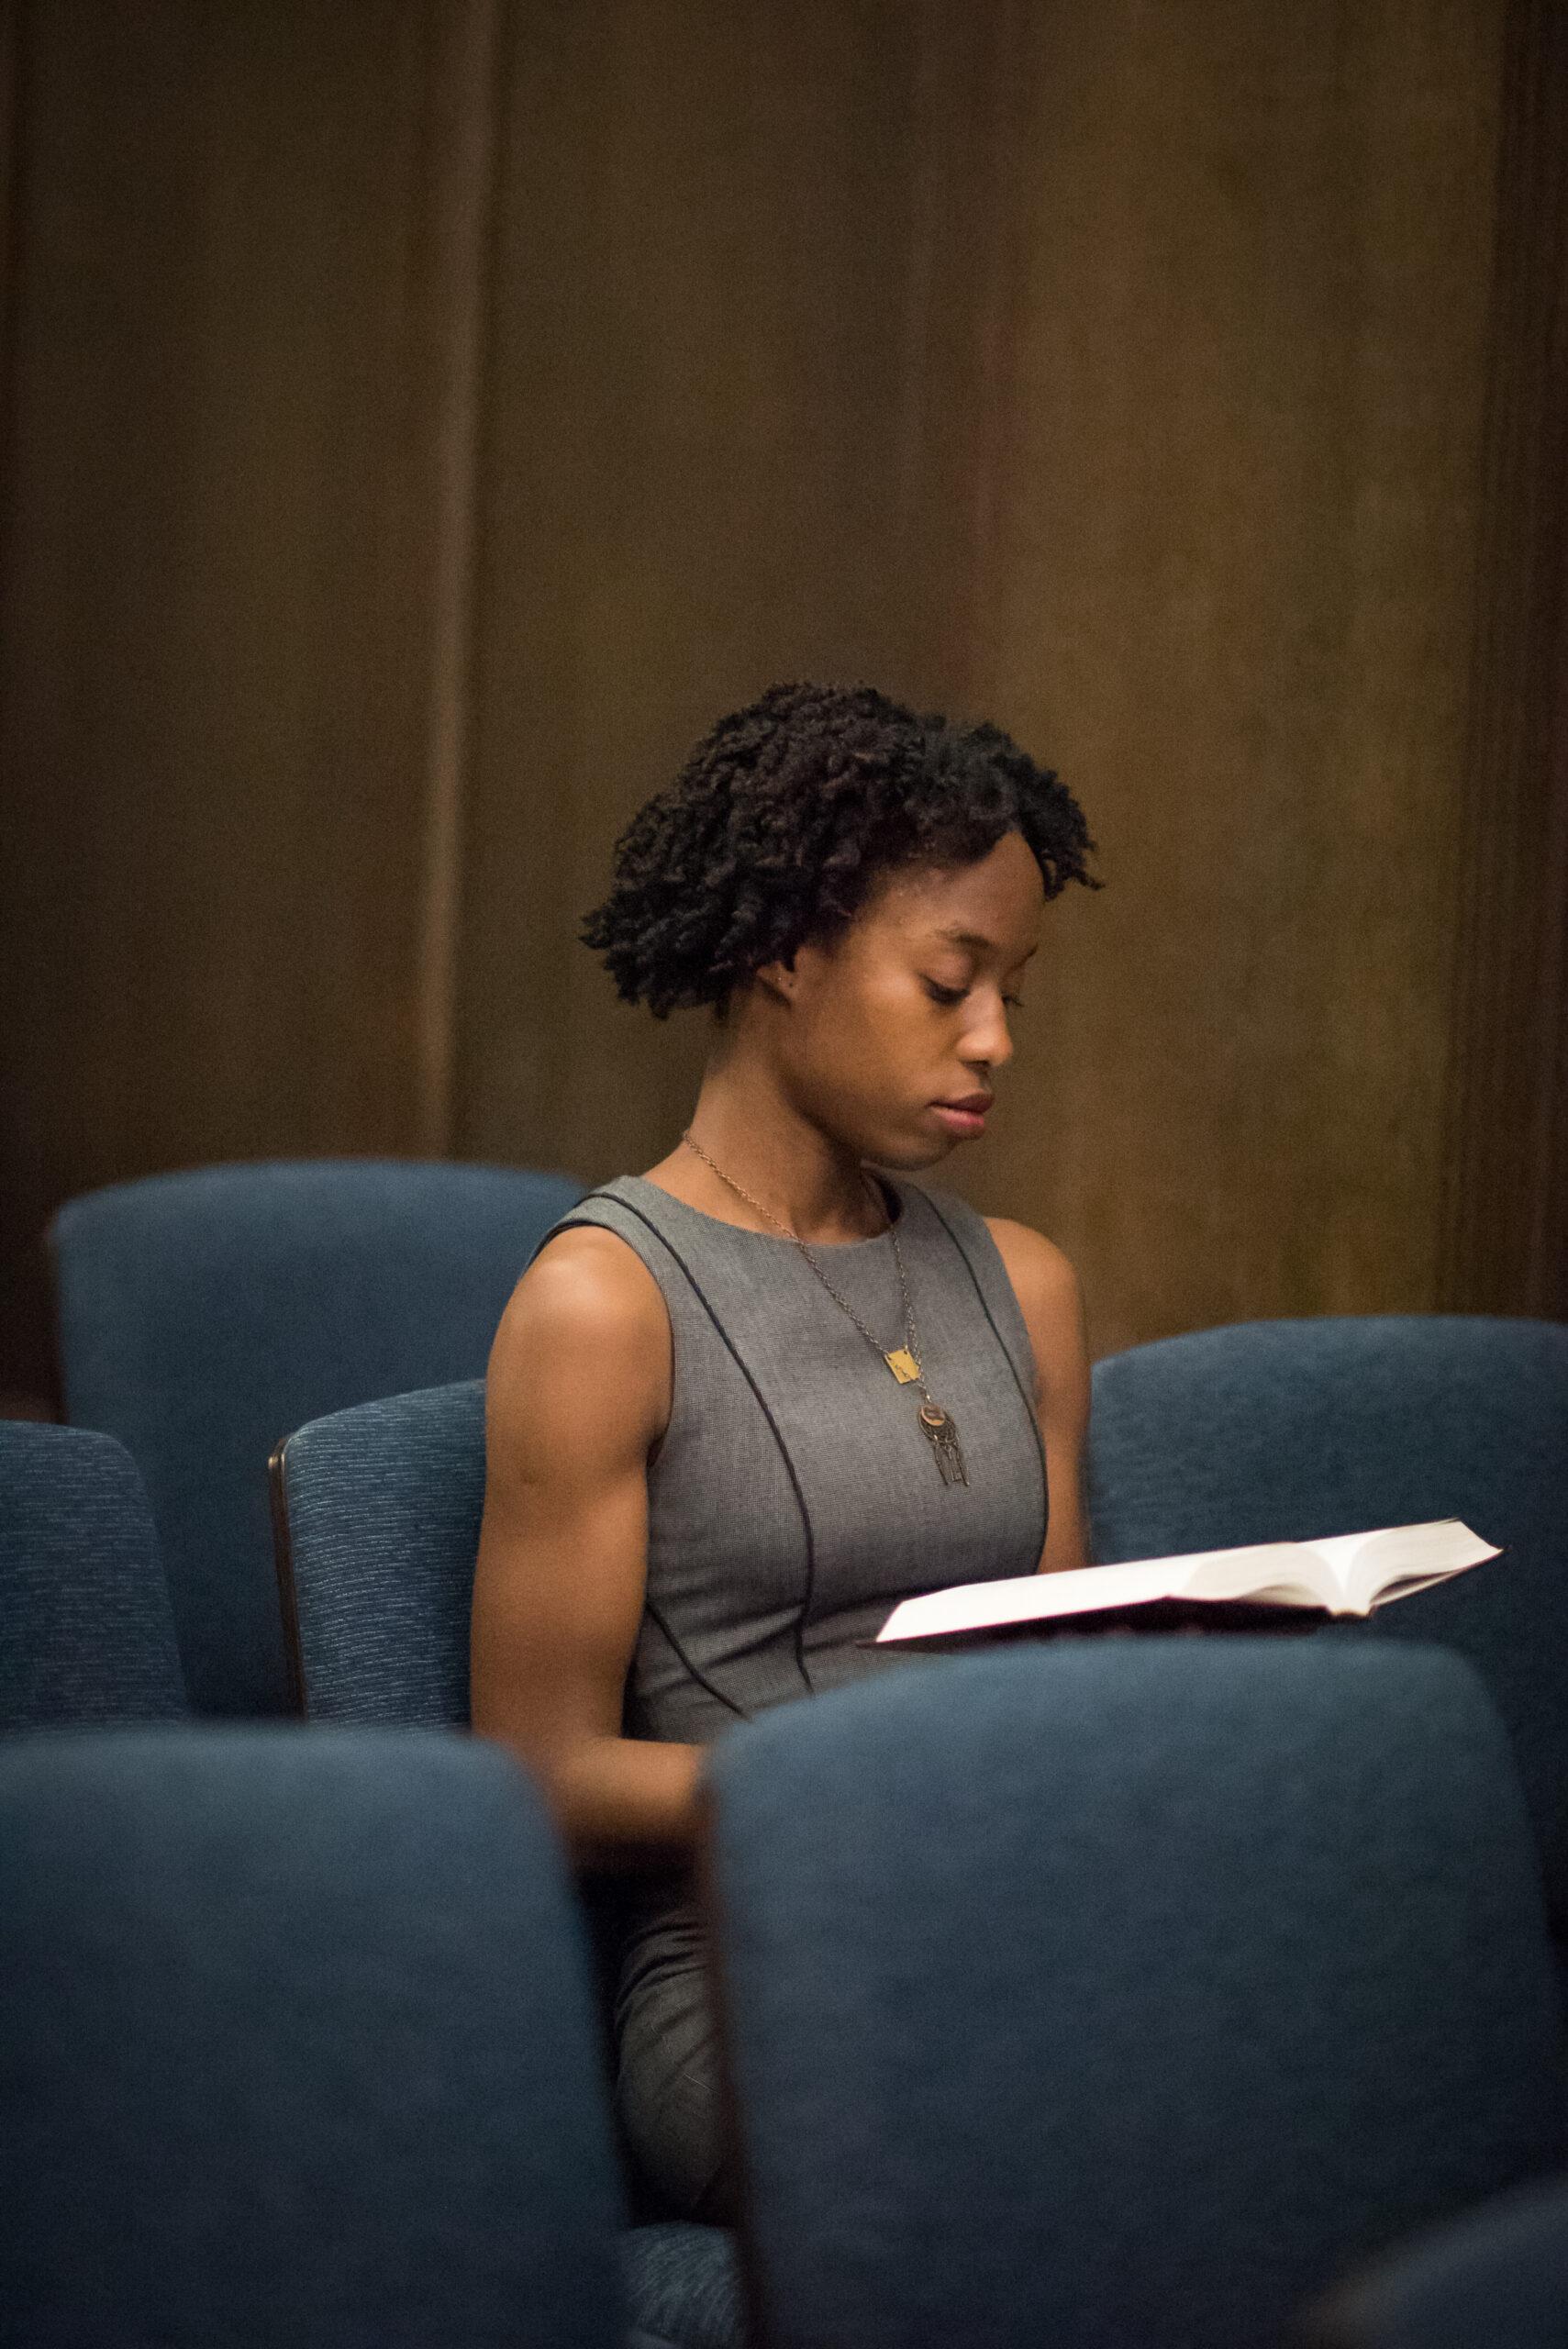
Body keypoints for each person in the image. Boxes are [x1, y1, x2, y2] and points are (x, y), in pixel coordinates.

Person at [469, 679, 1104, 2221]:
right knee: (1079, 2149)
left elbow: (1059, 1666)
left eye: (1014, 986)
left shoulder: (1024, 1283)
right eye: (948, 980)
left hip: (1006, 1907)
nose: (995, 1037)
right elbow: (532, 1775)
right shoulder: (601, 1304)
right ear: (781, 949)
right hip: (753, 1961)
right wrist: (867, 1788)